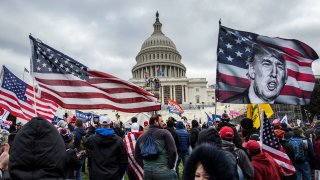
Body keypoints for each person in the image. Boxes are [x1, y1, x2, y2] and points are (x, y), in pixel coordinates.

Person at [135, 114, 178, 180]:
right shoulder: (165, 133)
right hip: (164, 170)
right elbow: (173, 151)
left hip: (147, 172)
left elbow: (136, 156)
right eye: (161, 121)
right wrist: (170, 166)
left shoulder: (140, 137)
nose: (163, 123)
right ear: (155, 121)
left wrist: (145, 166)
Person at [85, 115, 128, 180]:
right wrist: (119, 175)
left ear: (99, 124)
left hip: (97, 175)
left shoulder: (93, 139)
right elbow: (123, 161)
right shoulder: (118, 140)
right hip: (113, 175)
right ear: (110, 124)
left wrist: (92, 128)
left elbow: (86, 141)